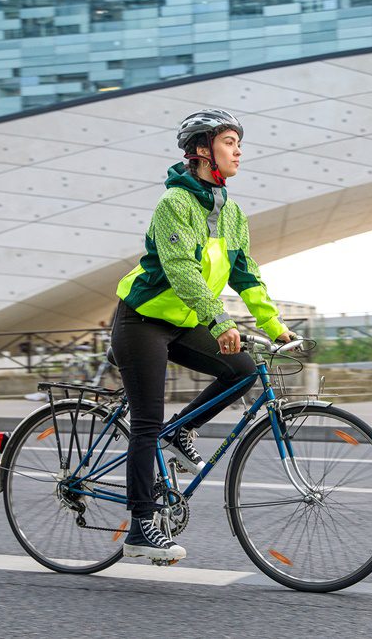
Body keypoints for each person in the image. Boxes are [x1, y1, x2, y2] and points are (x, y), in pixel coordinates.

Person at [111, 108, 293, 564]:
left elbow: (245, 274)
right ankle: (139, 527)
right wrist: (221, 322)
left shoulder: (231, 213)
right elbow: (182, 271)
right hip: (143, 321)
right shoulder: (174, 204)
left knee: (242, 370)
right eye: (229, 141)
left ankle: (182, 431)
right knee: (147, 423)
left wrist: (274, 326)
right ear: (200, 151)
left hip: (185, 321)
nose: (239, 150)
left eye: (238, 142)